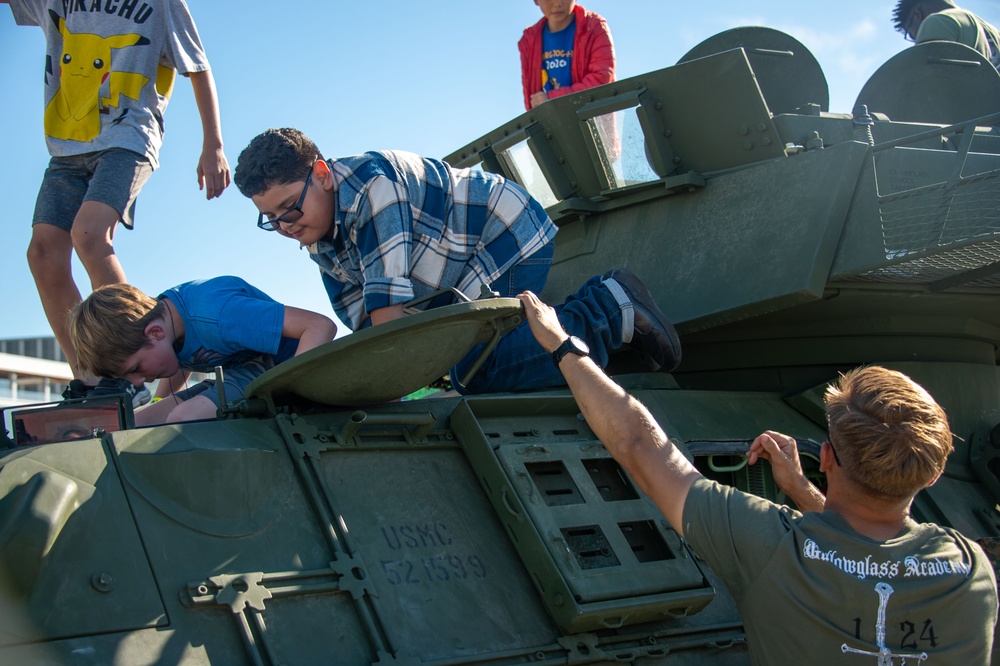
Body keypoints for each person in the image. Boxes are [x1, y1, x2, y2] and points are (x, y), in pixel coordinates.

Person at [518, 289, 998, 664]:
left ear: (826, 456)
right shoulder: (970, 568)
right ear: (932, 475)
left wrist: (562, 344)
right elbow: (871, 552)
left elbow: (640, 447)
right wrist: (803, 492)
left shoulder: (769, 544)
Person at [233, 127, 680, 396]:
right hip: (460, 274)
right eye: (269, 219)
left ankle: (607, 308)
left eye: (289, 207)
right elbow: (369, 333)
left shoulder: (374, 190)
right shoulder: (319, 239)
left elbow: (389, 324)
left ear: (323, 175)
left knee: (478, 369)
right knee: (463, 368)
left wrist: (384, 390)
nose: (285, 225)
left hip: (505, 240)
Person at [2, 0, 231, 406]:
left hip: (129, 138)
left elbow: (197, 66)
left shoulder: (161, 4)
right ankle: (89, 378)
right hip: (68, 148)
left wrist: (213, 143)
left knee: (89, 234)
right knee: (42, 253)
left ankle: (129, 367)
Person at [67, 277, 336, 425]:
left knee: (185, 418)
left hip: (279, 374)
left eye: (136, 368)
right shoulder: (164, 322)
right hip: (240, 375)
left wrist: (286, 393)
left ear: (155, 333)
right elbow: (184, 357)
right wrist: (159, 404)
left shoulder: (217, 314)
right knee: (138, 423)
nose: (139, 382)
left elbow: (319, 326)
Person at [519, 0, 615, 110]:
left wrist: (553, 99)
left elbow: (601, 79)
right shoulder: (529, 41)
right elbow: (532, 97)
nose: (557, 3)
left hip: (592, 118)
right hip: (553, 124)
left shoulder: (593, 27)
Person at [893, 0, 1000, 68]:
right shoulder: (994, 32)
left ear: (916, 15)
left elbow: (926, 81)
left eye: (911, 34)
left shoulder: (938, 21)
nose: (915, 40)